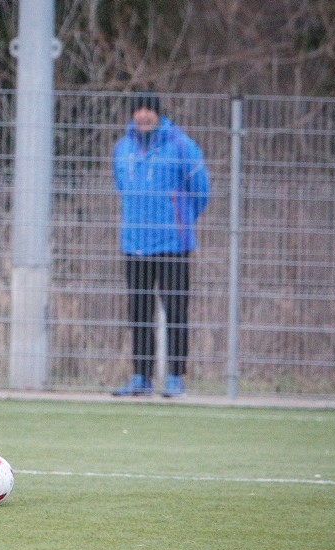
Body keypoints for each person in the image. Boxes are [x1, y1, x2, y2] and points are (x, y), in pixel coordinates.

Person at [111, 92, 210, 398]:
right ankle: (141, 376)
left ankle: (176, 377)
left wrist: (179, 221)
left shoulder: (181, 146)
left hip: (173, 245)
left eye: (149, 110)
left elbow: (201, 190)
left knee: (176, 311)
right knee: (139, 312)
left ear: (158, 114)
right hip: (135, 245)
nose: (143, 115)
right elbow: (122, 188)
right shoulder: (122, 149)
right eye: (138, 110)